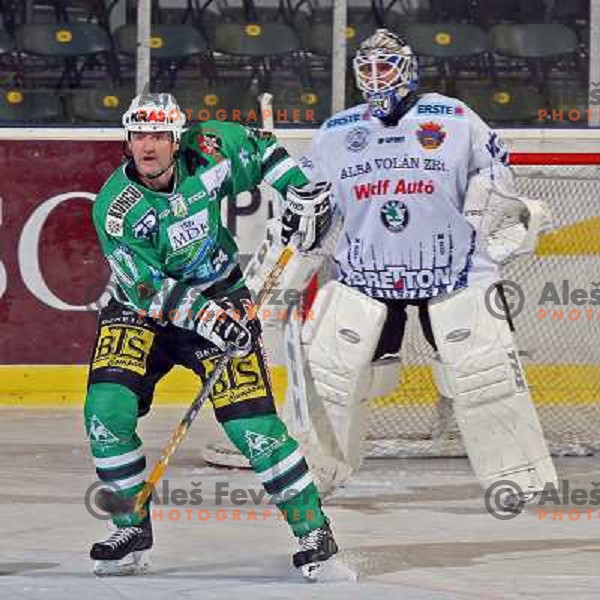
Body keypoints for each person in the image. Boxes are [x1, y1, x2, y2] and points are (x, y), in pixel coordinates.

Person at [254, 29, 557, 505]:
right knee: (330, 379)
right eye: (367, 68)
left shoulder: (451, 116)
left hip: (455, 271)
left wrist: (489, 201)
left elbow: (496, 162)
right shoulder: (337, 132)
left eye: (386, 66)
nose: (376, 77)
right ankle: (313, 476)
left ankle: (521, 477)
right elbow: (310, 199)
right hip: (366, 275)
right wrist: (294, 215)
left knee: (485, 375)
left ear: (407, 68)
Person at [85, 91, 336, 579]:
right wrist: (210, 320)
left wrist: (301, 189)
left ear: (177, 140)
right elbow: (148, 289)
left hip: (221, 294)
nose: (148, 146)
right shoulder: (115, 209)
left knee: (253, 430)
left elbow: (263, 147)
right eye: (139, 135)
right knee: (105, 411)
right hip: (143, 311)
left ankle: (314, 531)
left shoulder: (210, 148)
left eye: (158, 135)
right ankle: (129, 525)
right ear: (127, 140)